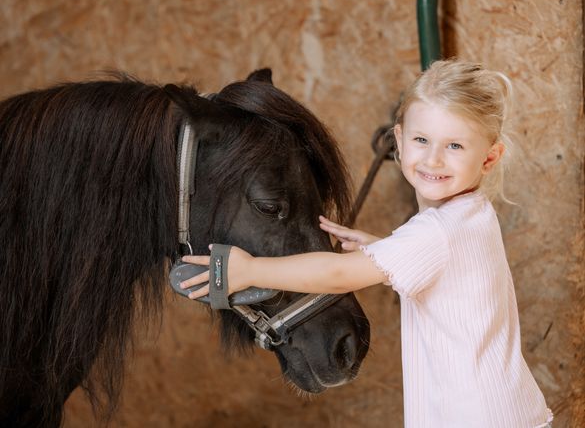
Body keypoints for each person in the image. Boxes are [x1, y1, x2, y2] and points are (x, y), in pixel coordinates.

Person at [181, 60, 553, 427]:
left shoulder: (437, 232)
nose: (433, 158)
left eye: (454, 146)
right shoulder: (471, 215)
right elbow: (448, 279)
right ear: (400, 140)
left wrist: (249, 270)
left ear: (489, 158)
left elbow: (338, 274)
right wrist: (383, 249)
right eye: (422, 140)